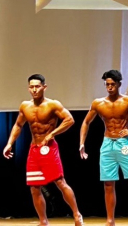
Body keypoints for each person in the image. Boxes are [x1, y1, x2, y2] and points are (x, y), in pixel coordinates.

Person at [2, 74, 84, 226]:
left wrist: (52, 134)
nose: (34, 90)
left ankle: (76, 214)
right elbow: (18, 125)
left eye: (37, 86)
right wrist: (9, 143)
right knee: (34, 187)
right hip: (34, 149)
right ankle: (43, 221)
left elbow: (69, 120)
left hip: (49, 148)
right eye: (31, 87)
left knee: (60, 182)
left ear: (44, 87)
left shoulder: (52, 105)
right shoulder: (25, 106)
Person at [79, 70, 128, 226]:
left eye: (113, 84)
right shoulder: (98, 103)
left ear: (119, 84)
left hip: (123, 143)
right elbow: (86, 122)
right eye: (107, 84)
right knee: (108, 184)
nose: (110, 87)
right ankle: (110, 220)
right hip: (107, 144)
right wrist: (82, 143)